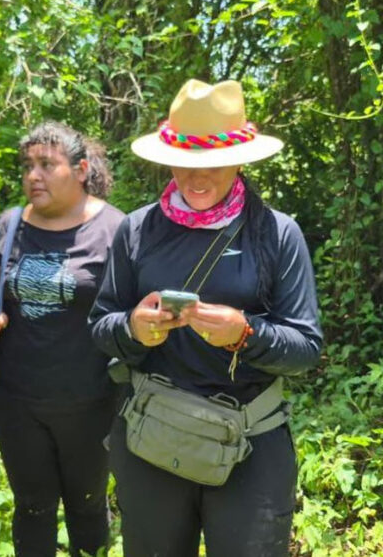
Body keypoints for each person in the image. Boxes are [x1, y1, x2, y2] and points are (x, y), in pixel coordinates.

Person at [88, 79, 322, 557]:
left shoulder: (277, 233)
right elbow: (101, 327)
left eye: (212, 165)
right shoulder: (136, 230)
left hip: (251, 446)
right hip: (153, 439)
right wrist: (133, 328)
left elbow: (305, 349)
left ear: (240, 159)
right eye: (184, 164)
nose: (196, 179)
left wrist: (246, 334)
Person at [0, 122, 125, 557]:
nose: (33, 176)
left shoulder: (116, 230)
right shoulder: (11, 224)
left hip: (92, 401)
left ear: (80, 170)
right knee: (32, 507)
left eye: (46, 165)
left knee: (88, 506)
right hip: (16, 399)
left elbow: (133, 309)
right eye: (28, 166)